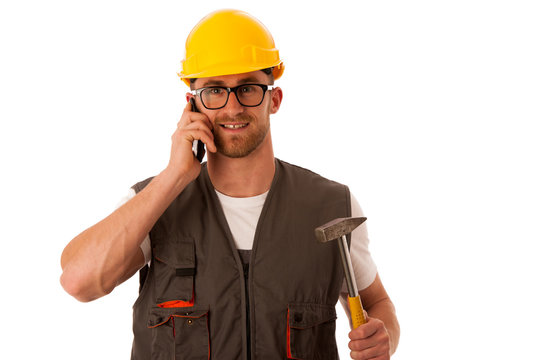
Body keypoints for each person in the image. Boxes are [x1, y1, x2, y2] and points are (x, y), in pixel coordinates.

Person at [60, 9, 399, 360]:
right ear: (191, 104)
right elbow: (78, 282)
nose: (232, 107)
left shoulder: (330, 207)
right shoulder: (152, 203)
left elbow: (378, 303)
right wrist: (174, 177)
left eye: (248, 88)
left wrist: (383, 334)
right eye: (214, 91)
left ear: (274, 99)